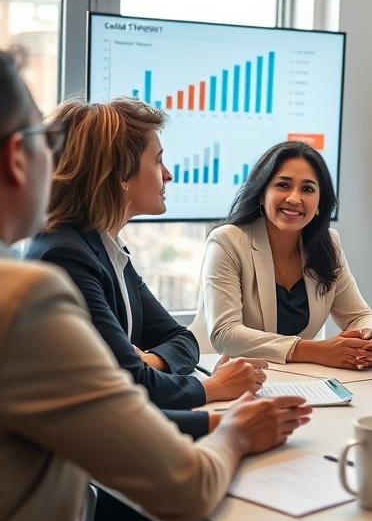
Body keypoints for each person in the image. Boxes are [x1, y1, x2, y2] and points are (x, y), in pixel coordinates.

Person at [0, 35, 314, 521]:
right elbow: (186, 490)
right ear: (13, 159)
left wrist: (178, 391)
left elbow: (174, 344)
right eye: (45, 142)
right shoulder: (20, 300)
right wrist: (234, 433)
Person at [27, 98, 266, 442]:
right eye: (158, 160)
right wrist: (211, 388)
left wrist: (151, 362)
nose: (168, 174)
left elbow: (183, 339)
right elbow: (130, 385)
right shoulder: (65, 256)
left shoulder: (106, 247)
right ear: (122, 175)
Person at [198, 140, 372, 369]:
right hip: (230, 377)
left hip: (302, 380)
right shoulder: (227, 241)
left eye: (307, 189)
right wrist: (319, 351)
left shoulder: (328, 243)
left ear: (319, 203)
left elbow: (358, 315)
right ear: (261, 193)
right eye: (283, 185)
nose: (294, 198)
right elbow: (226, 335)